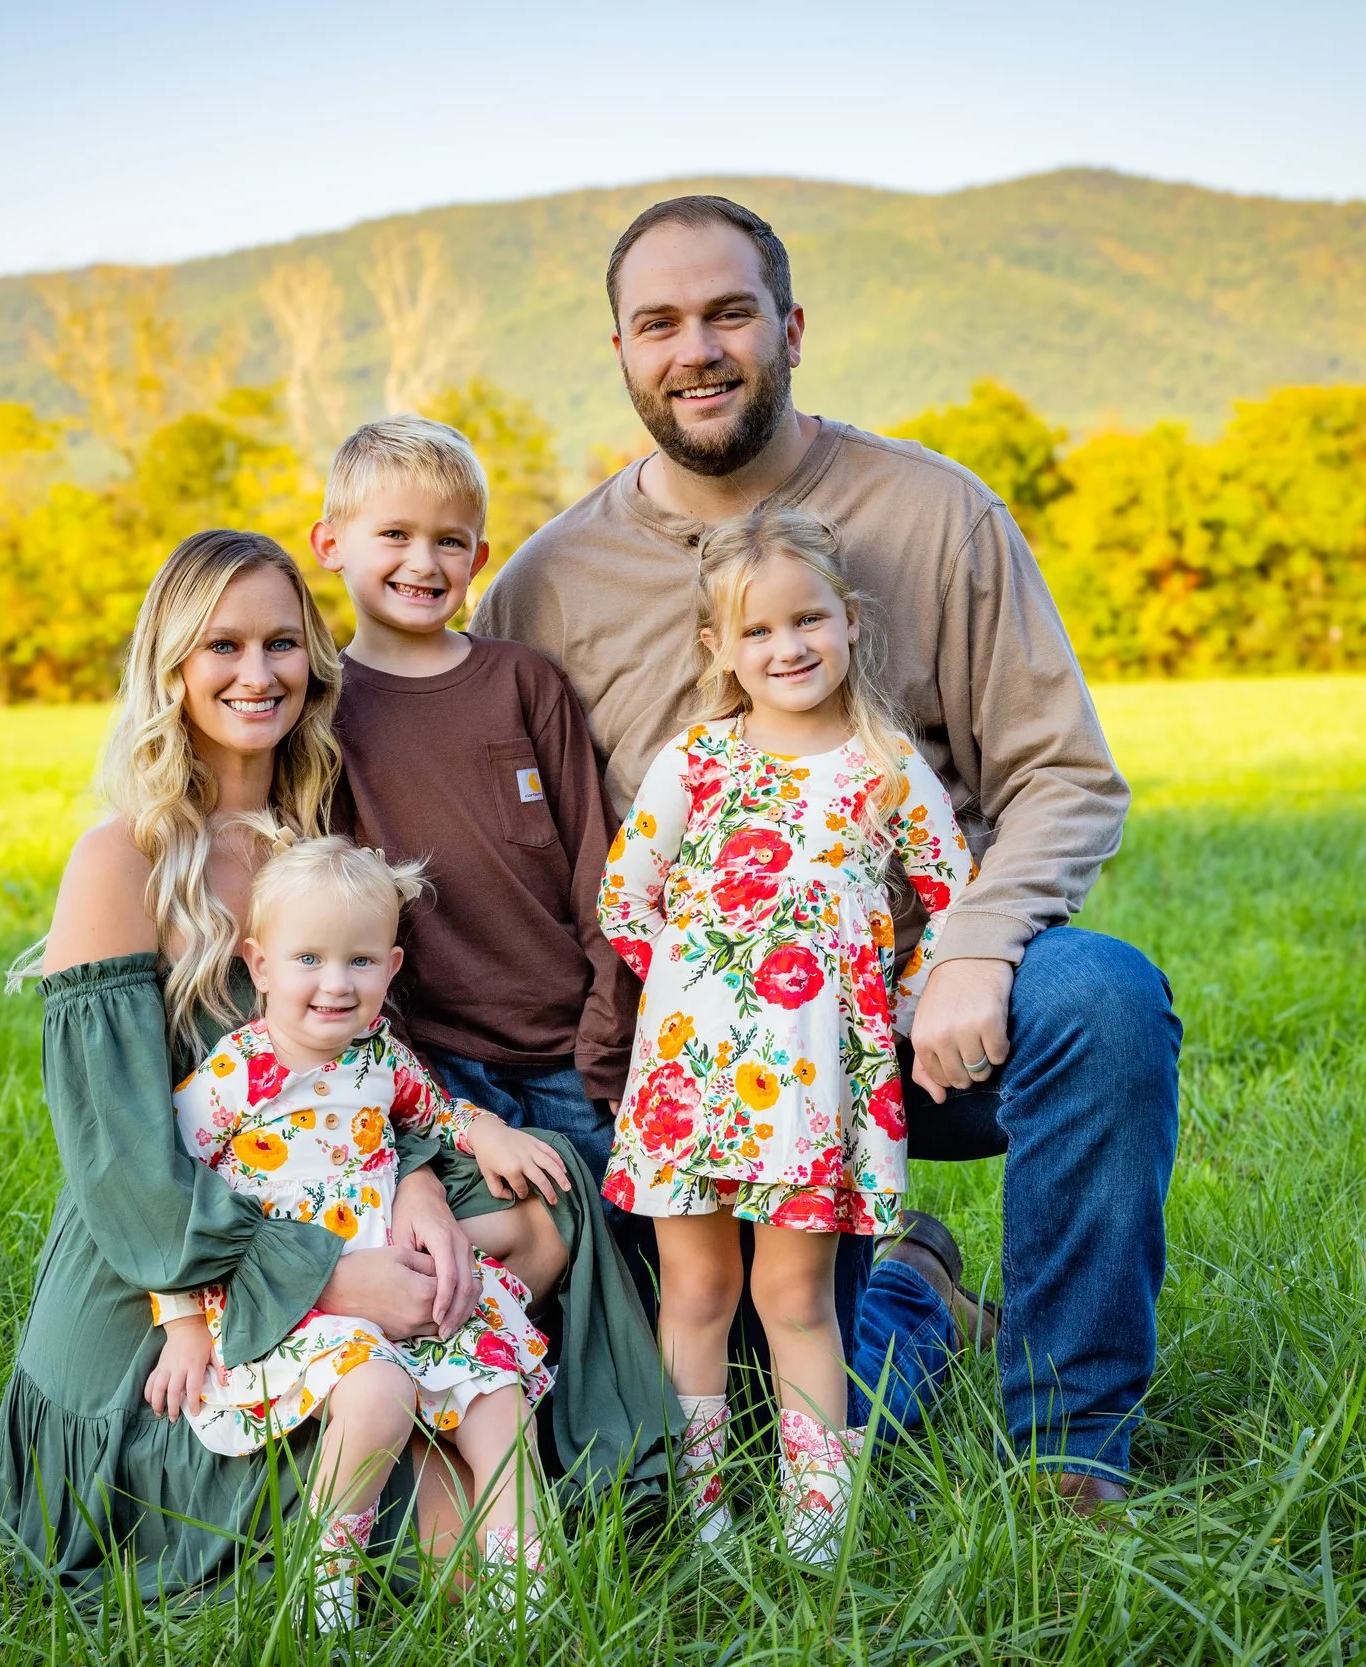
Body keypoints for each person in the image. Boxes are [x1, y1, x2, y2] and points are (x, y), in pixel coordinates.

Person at [476, 195, 1183, 1509]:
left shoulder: (934, 514)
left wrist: (976, 945)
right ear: (622, 353)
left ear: (789, 326)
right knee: (770, 1347)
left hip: (913, 1013)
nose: (698, 348)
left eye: (729, 311)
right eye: (660, 323)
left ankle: (1069, 1449)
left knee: (1102, 1000)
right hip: (700, 1055)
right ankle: (912, 1282)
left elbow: (1066, 775)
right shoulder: (549, 583)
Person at [0, 529, 677, 1604]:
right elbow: (120, 1157)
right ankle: (383, 1416)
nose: (255, 674)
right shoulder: (122, 858)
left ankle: (419, 1384)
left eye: (279, 643)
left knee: (547, 1197)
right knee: (448, 1561)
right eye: (221, 645)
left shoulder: (318, 825)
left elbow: (368, 1063)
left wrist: (407, 1184)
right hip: (173, 1243)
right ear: (170, 665)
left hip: (332, 1175)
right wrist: (327, 1272)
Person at [598, 504, 969, 1561]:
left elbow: (949, 900)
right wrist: (700, 992)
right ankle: (700, 1510)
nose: (787, 646)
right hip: (692, 1079)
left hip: (817, 1083)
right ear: (719, 649)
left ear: (848, 622)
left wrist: (885, 1013)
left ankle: (818, 1516)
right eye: (757, 631)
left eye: (807, 619)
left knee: (793, 1291)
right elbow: (628, 897)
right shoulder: (698, 759)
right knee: (699, 1288)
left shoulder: (882, 762)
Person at [142, 832, 567, 1627]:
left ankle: (523, 1594)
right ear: (259, 965)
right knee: (377, 1392)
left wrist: (488, 1132)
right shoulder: (236, 1074)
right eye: (309, 959)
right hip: (301, 1302)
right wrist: (182, 1323)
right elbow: (173, 1198)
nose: (335, 985)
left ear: (392, 968)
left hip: (396, 1283)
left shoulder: (381, 1058)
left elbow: (433, 1112)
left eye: (360, 962)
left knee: (504, 1399)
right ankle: (324, 1574)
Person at [311, 417, 631, 1186]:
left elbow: (600, 864)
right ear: (330, 545)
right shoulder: (325, 713)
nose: (423, 562)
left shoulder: (523, 682)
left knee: (630, 1266)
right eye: (394, 534)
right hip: (437, 1064)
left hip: (571, 1049)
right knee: (507, 1275)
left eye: (450, 541)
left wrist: (608, 1031)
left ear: (479, 557)